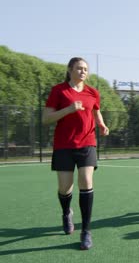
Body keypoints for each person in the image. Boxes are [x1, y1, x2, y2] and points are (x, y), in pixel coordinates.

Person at [42, 57, 109, 250]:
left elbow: (96, 111)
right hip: (64, 145)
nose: (83, 72)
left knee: (86, 182)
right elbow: (46, 118)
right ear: (70, 70)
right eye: (79, 68)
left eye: (85, 69)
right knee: (65, 187)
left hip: (87, 143)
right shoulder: (59, 91)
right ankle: (66, 212)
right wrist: (69, 109)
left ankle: (86, 231)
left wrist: (101, 124)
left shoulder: (92, 92)